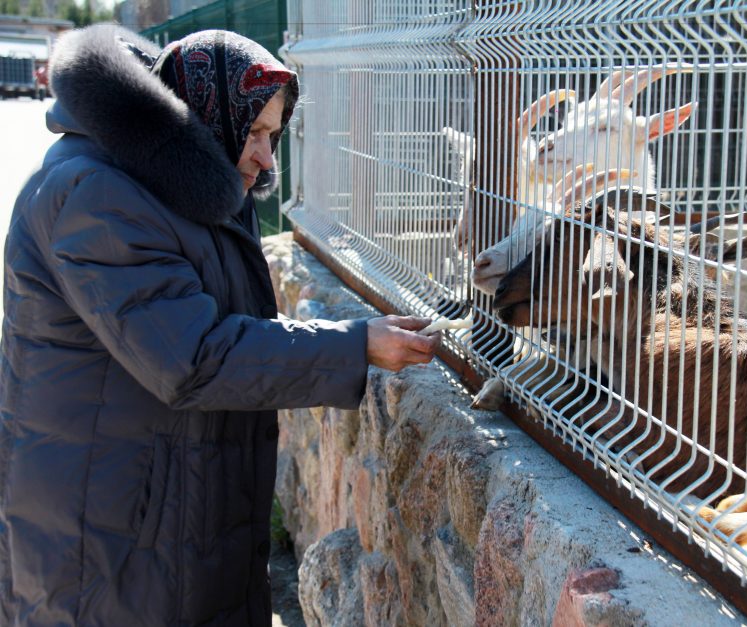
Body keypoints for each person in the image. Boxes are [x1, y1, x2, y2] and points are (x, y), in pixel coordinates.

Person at [0, 25, 440, 626]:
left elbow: (219, 323)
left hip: (162, 528)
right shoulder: (94, 195)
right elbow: (195, 357)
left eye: (274, 134)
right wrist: (354, 344)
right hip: (104, 555)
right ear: (206, 118)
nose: (266, 158)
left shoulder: (181, 185)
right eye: (255, 132)